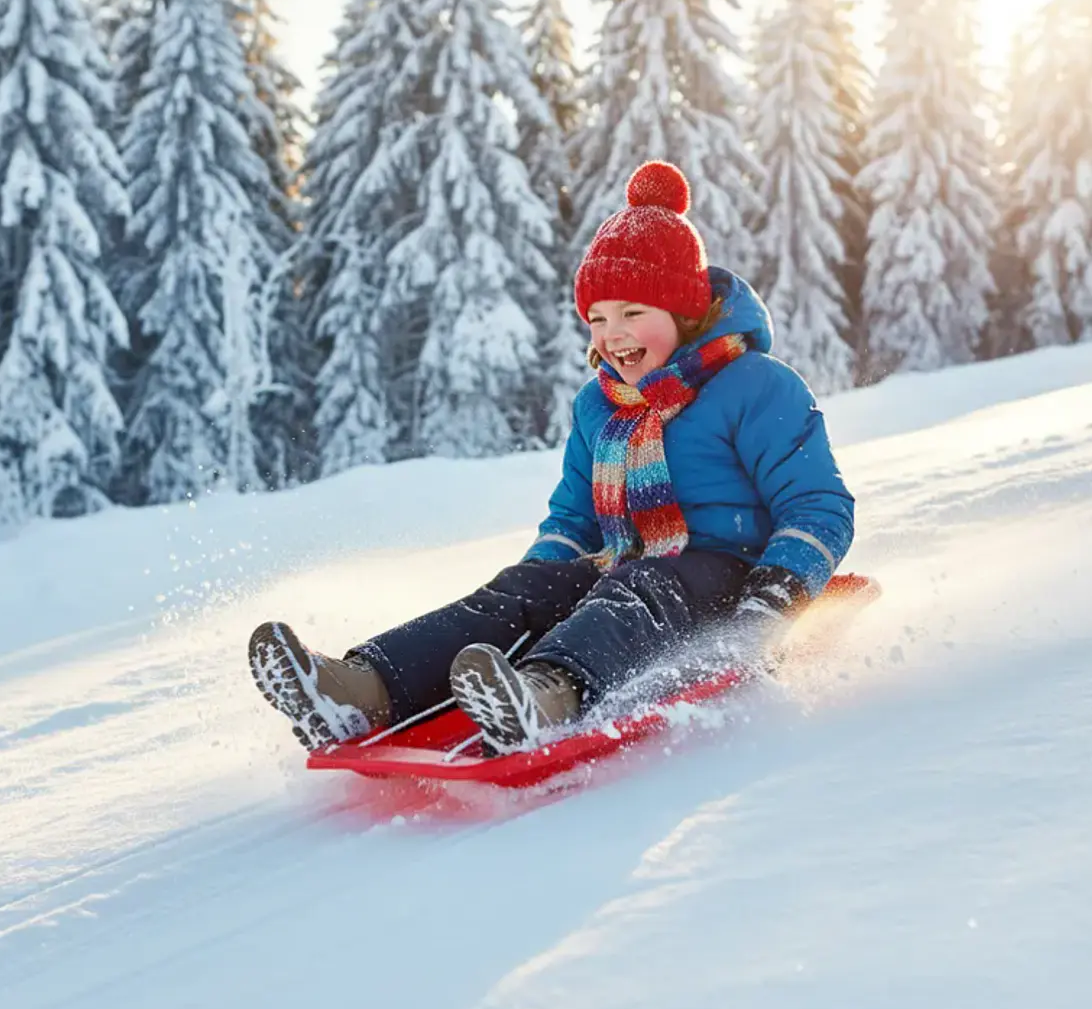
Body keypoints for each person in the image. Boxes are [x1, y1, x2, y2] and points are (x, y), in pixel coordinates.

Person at [250, 160, 855, 754]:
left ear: (684, 310)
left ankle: (548, 697)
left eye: (633, 313)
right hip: (623, 563)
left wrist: (771, 600)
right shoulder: (601, 406)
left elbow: (818, 505)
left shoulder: (756, 385)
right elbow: (573, 519)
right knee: (521, 592)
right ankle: (359, 692)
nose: (613, 334)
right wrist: (539, 588)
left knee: (638, 587)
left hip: (730, 574)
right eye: (597, 318)